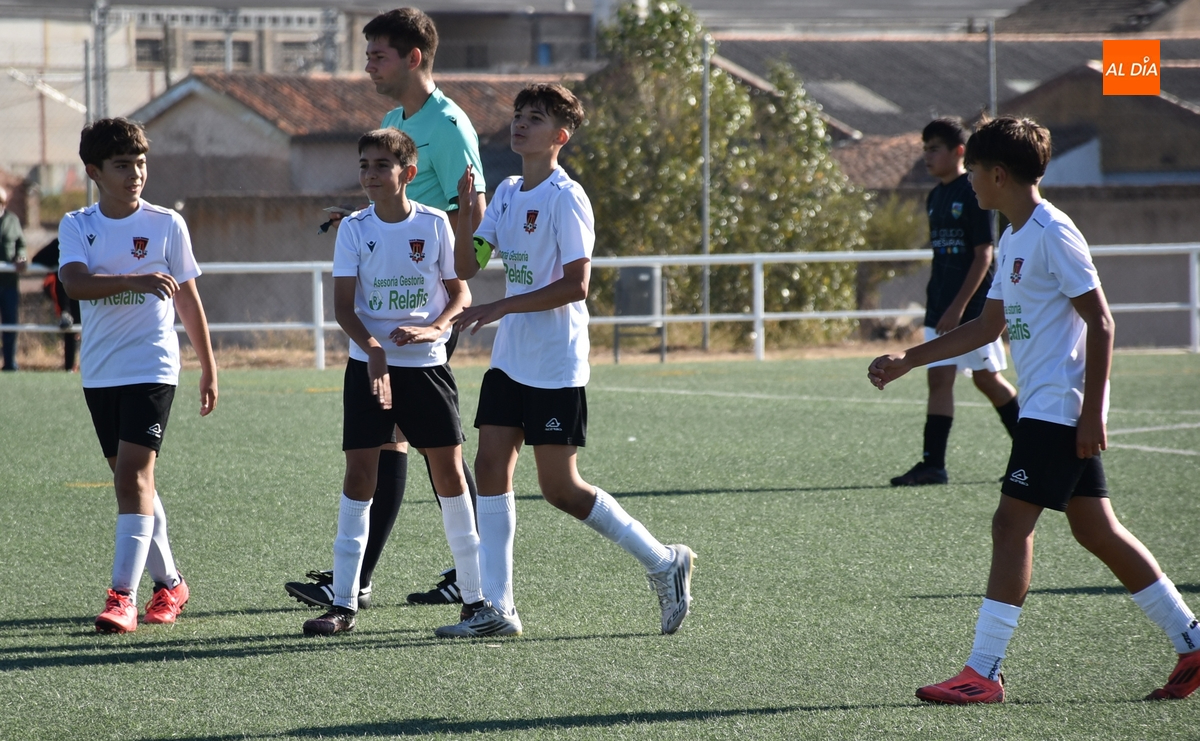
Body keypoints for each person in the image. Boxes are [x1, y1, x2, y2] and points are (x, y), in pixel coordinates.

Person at [868, 116, 1200, 704]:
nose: (968, 181)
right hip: (1047, 409)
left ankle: (982, 670)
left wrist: (1093, 412)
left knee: (1009, 526)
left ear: (997, 174)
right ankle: (1192, 641)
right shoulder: (1017, 235)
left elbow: (1102, 321)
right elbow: (989, 325)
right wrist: (909, 359)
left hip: (1059, 409)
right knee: (1096, 529)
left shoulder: (1052, 231)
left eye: (972, 171)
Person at [436, 83, 694, 639]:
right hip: (510, 358)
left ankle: (662, 560)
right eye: (518, 115)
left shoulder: (566, 197)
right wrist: (468, 210)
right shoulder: (504, 192)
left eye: (534, 118)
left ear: (560, 136)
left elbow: (577, 286)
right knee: (489, 471)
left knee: (560, 489)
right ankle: (498, 609)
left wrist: (503, 304)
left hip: (555, 362)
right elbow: (468, 262)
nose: (520, 124)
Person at [286, 7, 488, 611]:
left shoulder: (448, 126)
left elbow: (468, 217)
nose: (368, 65)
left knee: (433, 448)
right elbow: (396, 206)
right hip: (383, 318)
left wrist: (457, 288)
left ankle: (469, 576)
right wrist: (354, 218)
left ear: (413, 58)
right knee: (392, 445)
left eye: (377, 55)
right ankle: (360, 579)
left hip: (424, 315)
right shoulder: (396, 120)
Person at [301, 128, 483, 636]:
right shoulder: (355, 229)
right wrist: (375, 349)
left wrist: (434, 328)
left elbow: (460, 294)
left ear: (408, 172)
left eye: (381, 165)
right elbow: (342, 308)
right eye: (364, 165)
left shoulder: (435, 224)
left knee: (448, 474)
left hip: (426, 367)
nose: (370, 174)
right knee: (361, 477)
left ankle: (475, 598)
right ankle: (343, 602)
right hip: (367, 370)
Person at [58, 117, 218, 633]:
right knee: (136, 483)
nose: (135, 173)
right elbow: (75, 283)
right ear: (95, 172)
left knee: (132, 478)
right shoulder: (77, 224)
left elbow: (188, 299)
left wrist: (208, 366)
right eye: (122, 165)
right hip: (101, 372)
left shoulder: (167, 223)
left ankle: (121, 597)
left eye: (141, 163)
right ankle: (170, 584)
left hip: (152, 365)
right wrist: (137, 279)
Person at [890, 118, 1020, 487]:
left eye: (934, 148)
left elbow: (983, 255)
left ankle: (1031, 451)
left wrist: (959, 307)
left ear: (958, 152)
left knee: (988, 381)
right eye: (925, 148)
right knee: (939, 379)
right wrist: (938, 302)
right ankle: (933, 465)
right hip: (941, 305)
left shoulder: (973, 191)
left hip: (971, 308)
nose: (927, 156)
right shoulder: (936, 195)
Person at [31, 239, 82, 371]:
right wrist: (59, 265)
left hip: (85, 294)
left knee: (86, 330)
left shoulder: (89, 241)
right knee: (70, 328)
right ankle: (70, 367)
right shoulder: (62, 242)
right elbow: (37, 258)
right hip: (67, 296)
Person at [0, 185, 28, 371]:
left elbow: (21, 245)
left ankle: (9, 363)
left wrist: (21, 257)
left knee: (10, 323)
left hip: (8, 283)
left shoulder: (12, 220)